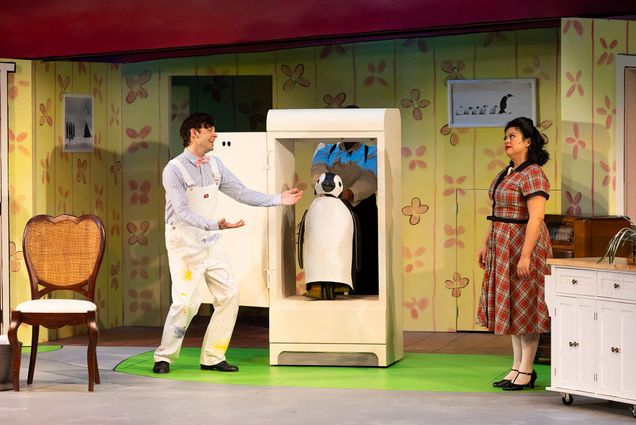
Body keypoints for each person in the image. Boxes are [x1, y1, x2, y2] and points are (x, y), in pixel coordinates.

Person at [153, 112, 302, 374]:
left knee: (230, 295)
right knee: (187, 302)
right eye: (209, 129)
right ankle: (164, 356)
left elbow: (241, 192)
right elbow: (181, 211)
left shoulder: (214, 165)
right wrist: (215, 224)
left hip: (210, 241)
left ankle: (212, 356)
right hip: (184, 241)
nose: (215, 134)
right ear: (194, 133)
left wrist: (278, 199)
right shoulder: (174, 169)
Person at [476, 117, 552, 391]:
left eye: (512, 136)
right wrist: (487, 243)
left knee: (525, 306)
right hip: (503, 243)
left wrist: (526, 255)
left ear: (527, 142)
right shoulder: (506, 172)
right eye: (505, 136)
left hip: (523, 243)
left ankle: (527, 369)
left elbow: (537, 216)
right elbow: (497, 213)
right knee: (512, 308)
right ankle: (516, 367)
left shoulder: (533, 173)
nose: (507, 141)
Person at [310, 134, 378, 296]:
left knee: (363, 251)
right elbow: (318, 173)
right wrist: (331, 189)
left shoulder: (372, 151)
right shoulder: (326, 148)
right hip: (329, 206)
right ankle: (325, 288)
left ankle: (363, 293)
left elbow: (370, 178)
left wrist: (349, 192)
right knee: (326, 245)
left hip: (360, 207)